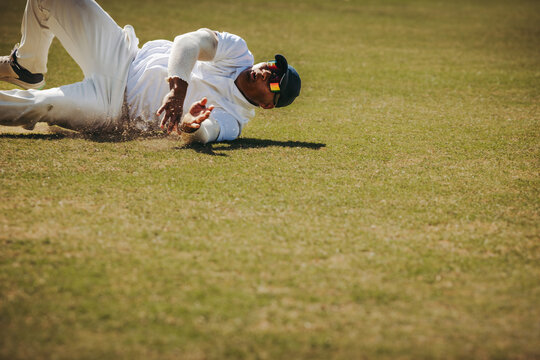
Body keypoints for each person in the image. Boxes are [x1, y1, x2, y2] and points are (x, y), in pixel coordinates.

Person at [0, 0, 301, 144]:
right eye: (273, 68)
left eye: (274, 83)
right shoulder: (238, 52)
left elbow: (206, 133)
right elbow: (188, 42)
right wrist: (178, 89)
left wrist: (189, 125)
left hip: (112, 108)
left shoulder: (233, 119)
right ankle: (26, 67)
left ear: (267, 105)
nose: (267, 74)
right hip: (124, 55)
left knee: (39, 105)